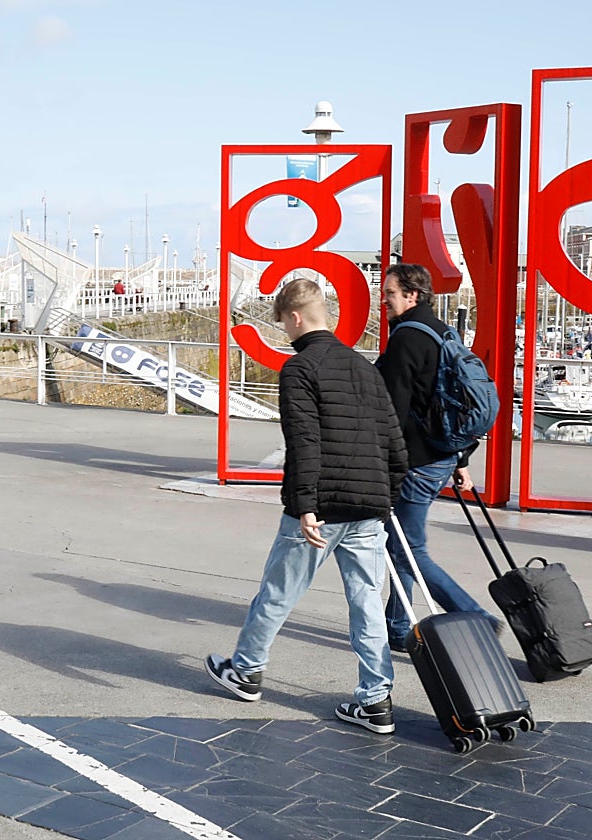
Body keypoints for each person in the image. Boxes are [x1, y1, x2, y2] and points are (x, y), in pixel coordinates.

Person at [206, 278, 408, 734]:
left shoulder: (300, 369)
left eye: (282, 322)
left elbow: (303, 441)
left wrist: (304, 506)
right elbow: (395, 444)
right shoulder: (365, 367)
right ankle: (376, 700)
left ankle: (247, 671)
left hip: (322, 507)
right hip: (369, 507)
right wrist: (385, 497)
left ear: (295, 317)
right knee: (367, 603)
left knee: (279, 590)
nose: (283, 330)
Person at [377, 263, 501, 651]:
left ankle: (475, 616)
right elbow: (447, 400)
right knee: (400, 543)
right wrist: (461, 461)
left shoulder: (406, 339)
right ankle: (397, 626)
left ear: (412, 295)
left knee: (409, 551)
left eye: (390, 293)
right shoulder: (443, 332)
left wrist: (383, 464)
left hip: (417, 462)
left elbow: (393, 412)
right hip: (444, 455)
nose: (384, 300)